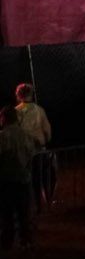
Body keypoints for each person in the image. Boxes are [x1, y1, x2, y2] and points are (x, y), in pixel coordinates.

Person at [0, 106, 36, 249]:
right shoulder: (25, 135)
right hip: (23, 178)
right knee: (23, 212)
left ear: (5, 118)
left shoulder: (3, 136)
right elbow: (31, 153)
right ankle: (25, 240)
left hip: (7, 179)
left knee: (7, 213)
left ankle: (7, 241)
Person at [14, 83, 52, 212]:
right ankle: (44, 204)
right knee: (41, 177)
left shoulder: (16, 112)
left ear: (18, 95)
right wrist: (45, 142)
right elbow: (47, 131)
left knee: (25, 180)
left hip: (23, 152)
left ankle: (28, 206)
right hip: (39, 150)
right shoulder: (39, 110)